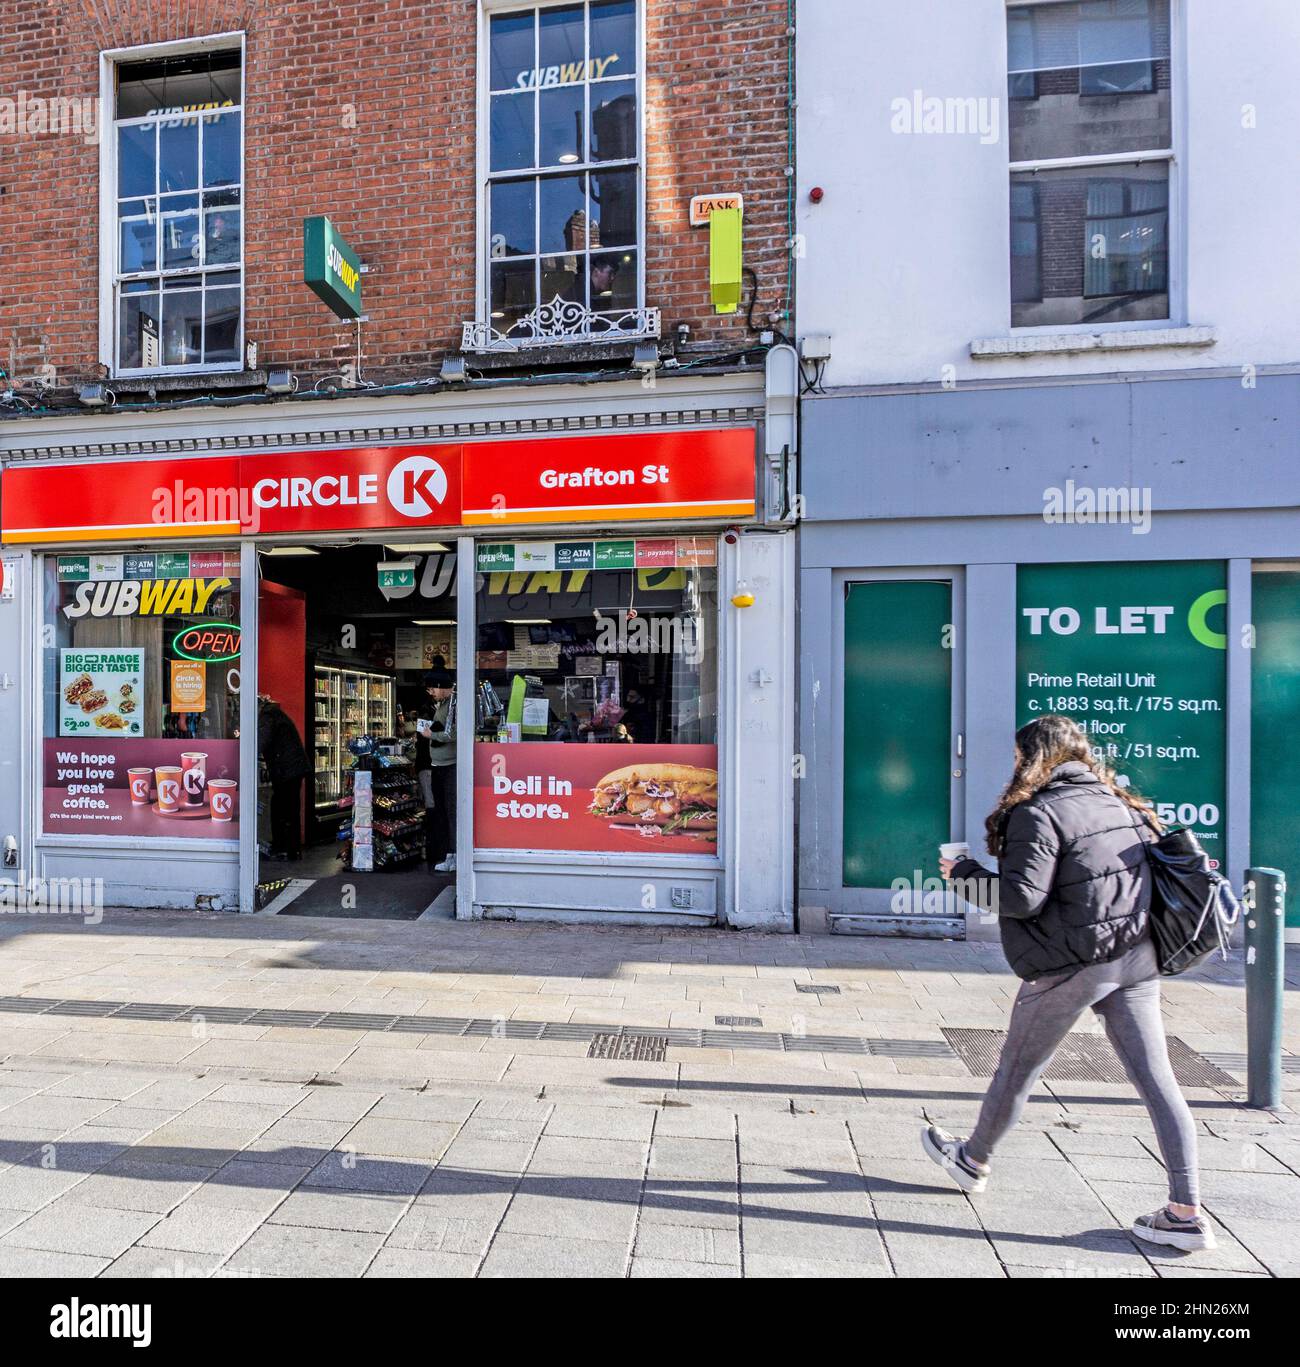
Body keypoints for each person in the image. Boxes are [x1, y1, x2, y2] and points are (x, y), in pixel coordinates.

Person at [921, 714, 1213, 1253]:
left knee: (1017, 1067)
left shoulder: (1038, 812)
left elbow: (1020, 899)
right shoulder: (1120, 802)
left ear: (1031, 759)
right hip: (1137, 957)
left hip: (1075, 962)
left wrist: (961, 873)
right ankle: (1186, 1212)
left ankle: (973, 1160)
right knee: (1158, 1079)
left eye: (1016, 757)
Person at [416, 660, 456, 873]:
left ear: (442, 687)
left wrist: (433, 735)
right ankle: (449, 854)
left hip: (450, 764)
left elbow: (456, 733)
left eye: (432, 688)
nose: (430, 692)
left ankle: (454, 854)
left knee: (450, 810)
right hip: (438, 764)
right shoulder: (441, 705)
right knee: (442, 810)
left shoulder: (454, 705)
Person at [258, 695, 309, 860]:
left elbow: (260, 742)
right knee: (290, 808)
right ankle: (292, 849)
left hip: (286, 770)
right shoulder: (275, 714)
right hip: (293, 768)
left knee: (281, 807)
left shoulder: (267, 717)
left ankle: (283, 848)